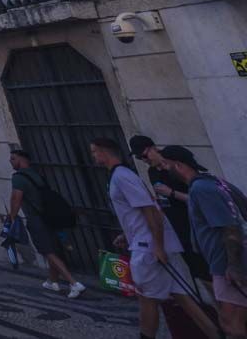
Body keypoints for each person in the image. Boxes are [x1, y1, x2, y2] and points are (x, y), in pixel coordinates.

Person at [91, 137, 212, 339]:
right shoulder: (120, 176)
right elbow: (141, 211)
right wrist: (126, 234)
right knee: (183, 296)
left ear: (104, 152)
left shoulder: (122, 176)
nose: (93, 156)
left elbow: (151, 210)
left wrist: (157, 246)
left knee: (146, 297)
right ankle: (215, 333)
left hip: (147, 247)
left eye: (94, 151)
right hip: (147, 241)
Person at [160, 145, 247, 339]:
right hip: (226, 261)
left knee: (231, 324)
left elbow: (230, 228)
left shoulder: (201, 189)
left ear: (179, 165)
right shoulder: (214, 183)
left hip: (228, 262)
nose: (164, 168)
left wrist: (234, 266)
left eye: (166, 164)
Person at [4, 148, 82, 297]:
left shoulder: (18, 177)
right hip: (49, 217)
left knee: (48, 251)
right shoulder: (37, 174)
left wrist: (12, 218)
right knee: (52, 249)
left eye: (13, 158)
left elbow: (16, 199)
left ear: (21, 160)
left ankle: (74, 283)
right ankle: (52, 281)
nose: (11, 161)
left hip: (36, 219)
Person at [132, 135, 210, 281]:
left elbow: (197, 198)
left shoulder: (176, 168)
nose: (145, 160)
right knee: (199, 274)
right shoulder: (152, 172)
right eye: (139, 158)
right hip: (178, 229)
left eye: (144, 155)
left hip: (196, 226)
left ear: (154, 148)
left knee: (211, 272)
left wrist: (172, 193)